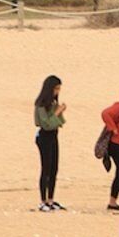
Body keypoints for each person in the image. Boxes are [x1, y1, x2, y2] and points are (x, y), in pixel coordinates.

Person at [32, 73, 68, 213]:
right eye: (56, 89)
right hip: (44, 137)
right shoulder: (41, 104)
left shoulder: (53, 103)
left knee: (54, 168)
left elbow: (59, 122)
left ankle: (51, 199)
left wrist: (58, 112)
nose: (57, 92)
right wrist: (57, 112)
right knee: (45, 168)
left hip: (54, 136)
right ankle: (43, 201)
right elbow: (45, 124)